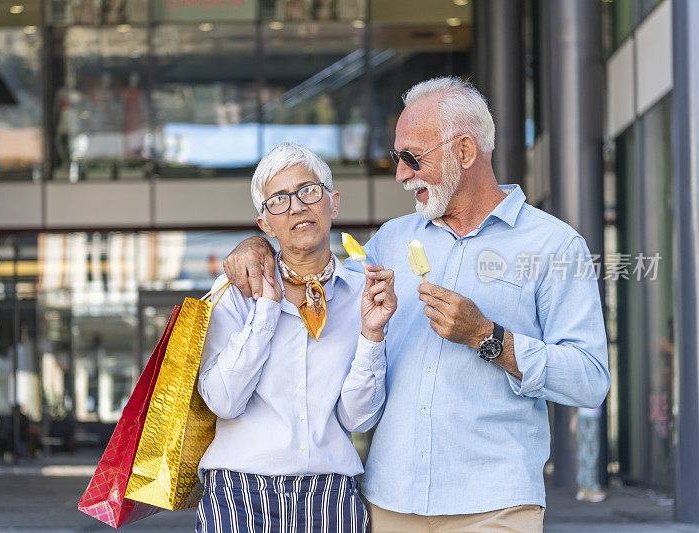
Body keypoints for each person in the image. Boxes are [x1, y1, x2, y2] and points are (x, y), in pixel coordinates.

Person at [222, 77, 611, 532]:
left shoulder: (556, 245)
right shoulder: (390, 240)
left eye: (412, 158)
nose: (400, 174)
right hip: (391, 503)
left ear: (465, 153)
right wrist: (257, 247)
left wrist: (489, 339)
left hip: (494, 505)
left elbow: (590, 381)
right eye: (397, 158)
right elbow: (312, 265)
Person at [196, 142, 397, 533]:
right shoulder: (235, 290)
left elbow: (358, 418)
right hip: (238, 491)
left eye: (309, 191)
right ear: (265, 225)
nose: (297, 206)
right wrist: (266, 312)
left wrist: (372, 334)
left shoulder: (363, 293)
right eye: (279, 200)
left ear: (333, 202)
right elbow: (223, 401)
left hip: (331, 494)